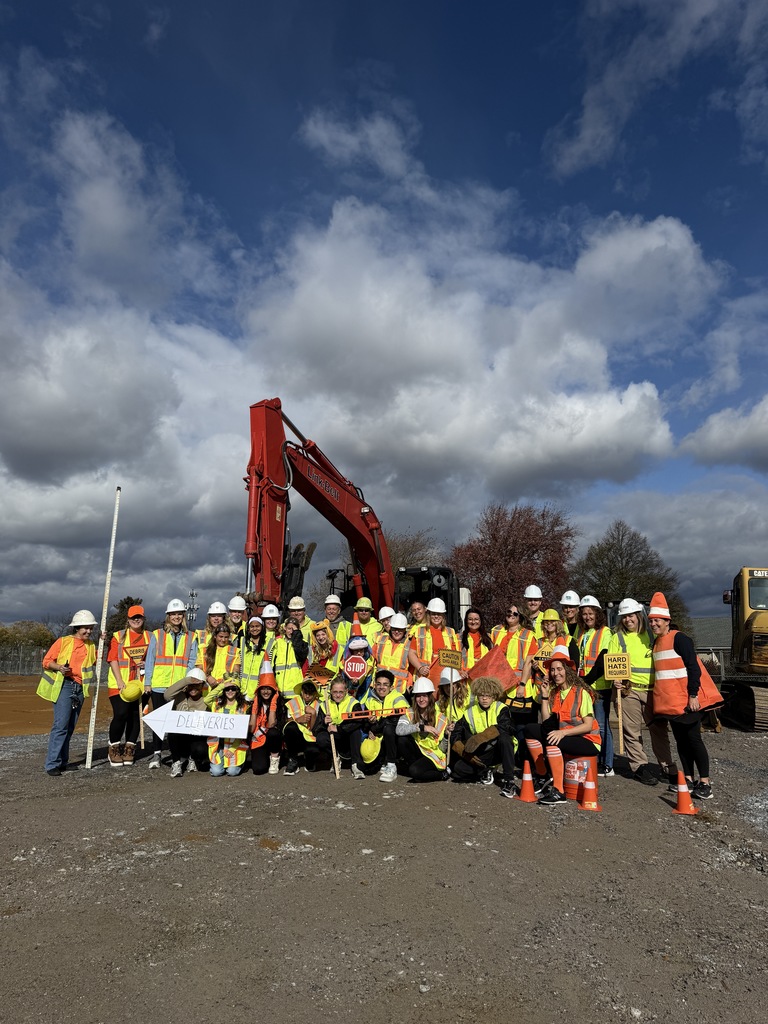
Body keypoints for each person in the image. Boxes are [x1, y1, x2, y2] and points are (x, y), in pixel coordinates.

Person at [647, 592, 721, 799]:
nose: (653, 624)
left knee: (694, 740)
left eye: (657, 621)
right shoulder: (656, 643)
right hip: (671, 704)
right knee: (681, 741)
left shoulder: (680, 639)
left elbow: (693, 668)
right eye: (651, 621)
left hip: (687, 702)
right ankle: (688, 778)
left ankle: (704, 782)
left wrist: (693, 695)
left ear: (667, 621)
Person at [607, 598, 677, 787]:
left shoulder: (652, 635)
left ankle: (667, 766)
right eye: (624, 617)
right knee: (632, 731)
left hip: (654, 691)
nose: (628, 620)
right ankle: (639, 767)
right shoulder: (617, 638)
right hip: (629, 691)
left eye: (631, 616)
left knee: (659, 730)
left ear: (638, 616)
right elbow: (613, 665)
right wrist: (616, 680)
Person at [524, 645, 601, 806]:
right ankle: (543, 775)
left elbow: (588, 726)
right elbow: (546, 723)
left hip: (588, 739)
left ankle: (559, 791)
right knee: (530, 729)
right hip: (566, 736)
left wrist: (562, 733)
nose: (555, 673)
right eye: (552, 670)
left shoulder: (581, 692)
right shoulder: (555, 692)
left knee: (553, 739)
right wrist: (544, 697)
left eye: (559, 669)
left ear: (568, 670)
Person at [38, 610, 98, 776]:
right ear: (77, 628)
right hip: (64, 686)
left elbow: (97, 662)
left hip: (79, 688)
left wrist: (103, 639)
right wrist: (59, 668)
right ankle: (52, 764)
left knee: (70, 726)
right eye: (85, 628)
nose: (88, 631)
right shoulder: (63, 642)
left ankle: (63, 761)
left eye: (91, 628)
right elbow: (46, 661)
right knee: (60, 725)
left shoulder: (91, 645)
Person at [144, 599, 197, 770]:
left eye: (179, 614)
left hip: (179, 688)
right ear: (168, 616)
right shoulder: (157, 634)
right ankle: (157, 753)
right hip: (159, 685)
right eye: (173, 614)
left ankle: (182, 755)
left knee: (179, 723)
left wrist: (186, 682)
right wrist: (148, 682)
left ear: (183, 616)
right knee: (159, 722)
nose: (176, 617)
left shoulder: (191, 636)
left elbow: (192, 661)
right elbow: (150, 660)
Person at [450, 676, 517, 795]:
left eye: (488, 695)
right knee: (458, 770)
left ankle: (509, 781)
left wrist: (483, 736)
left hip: (501, 750)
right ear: (477, 696)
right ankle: (485, 771)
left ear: (494, 696)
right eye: (481, 695)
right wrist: (461, 750)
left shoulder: (501, 708)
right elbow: (456, 732)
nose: (485, 698)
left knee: (504, 738)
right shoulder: (470, 712)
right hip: (484, 752)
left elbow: (508, 727)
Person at [106, 604, 150, 767]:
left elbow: (154, 658)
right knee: (121, 713)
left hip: (141, 684)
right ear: (128, 619)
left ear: (143, 618)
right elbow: (113, 659)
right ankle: (114, 747)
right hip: (120, 683)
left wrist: (146, 663)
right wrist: (119, 681)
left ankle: (130, 747)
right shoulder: (119, 636)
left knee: (135, 716)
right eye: (133, 617)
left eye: (139, 617)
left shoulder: (150, 637)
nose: (136, 620)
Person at [577, 596, 612, 776]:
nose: (587, 617)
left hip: (599, 685)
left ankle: (607, 763)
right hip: (586, 686)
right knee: (589, 724)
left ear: (597, 614)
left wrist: (586, 681)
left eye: (590, 613)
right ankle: (595, 758)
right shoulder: (583, 633)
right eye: (584, 614)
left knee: (602, 725)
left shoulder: (605, 632)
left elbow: (602, 660)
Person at [395, 678, 449, 782]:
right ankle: (415, 768)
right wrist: (421, 727)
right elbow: (399, 730)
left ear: (430, 697)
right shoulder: (409, 713)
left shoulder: (441, 718)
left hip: (433, 755)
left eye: (424, 696)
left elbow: (442, 749)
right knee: (402, 740)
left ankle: (441, 775)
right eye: (418, 696)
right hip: (418, 751)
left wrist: (446, 735)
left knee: (414, 771)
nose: (421, 699)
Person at [362, 669, 409, 781]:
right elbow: (364, 722)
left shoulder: (398, 698)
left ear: (391, 687)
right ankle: (383, 761)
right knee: (367, 769)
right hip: (379, 738)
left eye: (385, 684)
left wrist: (375, 727)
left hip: (395, 737)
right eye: (378, 684)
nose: (381, 687)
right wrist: (369, 725)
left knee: (389, 729)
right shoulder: (370, 700)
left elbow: (394, 721)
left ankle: (392, 765)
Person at [316, 678, 368, 779]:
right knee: (321, 738)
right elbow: (316, 729)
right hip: (334, 740)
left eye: (341, 692)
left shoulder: (353, 703)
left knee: (355, 732)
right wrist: (324, 722)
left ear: (346, 691)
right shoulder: (324, 704)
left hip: (348, 738)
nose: (338, 695)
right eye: (335, 692)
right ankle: (335, 758)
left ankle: (356, 764)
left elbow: (358, 722)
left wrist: (339, 728)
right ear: (330, 691)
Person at [165, 668, 210, 776]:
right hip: (181, 737)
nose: (193, 688)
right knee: (172, 733)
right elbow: (167, 695)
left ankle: (193, 759)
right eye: (191, 685)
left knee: (200, 749)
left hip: (197, 736)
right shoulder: (180, 697)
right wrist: (187, 680)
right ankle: (176, 763)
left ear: (202, 685)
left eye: (197, 685)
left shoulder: (206, 699)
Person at [204, 674, 250, 777]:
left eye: (233, 688)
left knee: (232, 772)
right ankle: (221, 763)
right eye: (227, 689)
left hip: (234, 744)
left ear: (237, 690)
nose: (230, 691)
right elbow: (206, 700)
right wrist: (222, 686)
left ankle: (242, 763)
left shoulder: (243, 707)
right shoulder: (216, 703)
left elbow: (242, 732)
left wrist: (232, 749)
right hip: (218, 743)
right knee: (216, 773)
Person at [411, 598, 460, 691]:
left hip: (445, 677)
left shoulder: (451, 632)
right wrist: (420, 667)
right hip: (425, 675)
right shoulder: (420, 631)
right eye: (433, 614)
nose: (436, 616)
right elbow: (411, 653)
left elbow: (456, 656)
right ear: (429, 614)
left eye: (439, 614)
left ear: (443, 615)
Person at [491, 604, 538, 688]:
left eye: (515, 614)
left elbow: (528, 664)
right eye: (509, 612)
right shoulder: (496, 631)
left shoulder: (528, 635)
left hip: (517, 685)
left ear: (521, 617)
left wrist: (522, 685)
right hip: (497, 682)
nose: (511, 614)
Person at [283, 679, 322, 774]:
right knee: (290, 727)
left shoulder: (320, 705)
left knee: (313, 752)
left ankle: (309, 761)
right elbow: (286, 722)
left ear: (315, 694)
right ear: (301, 691)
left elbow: (316, 729)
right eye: (305, 693)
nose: (307, 696)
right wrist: (298, 720)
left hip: (311, 737)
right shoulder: (293, 702)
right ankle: (293, 760)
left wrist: (313, 714)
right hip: (296, 736)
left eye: (311, 693)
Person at [249, 673, 283, 775]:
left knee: (273, 733)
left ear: (274, 690)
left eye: (269, 688)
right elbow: (251, 729)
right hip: (259, 740)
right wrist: (254, 710)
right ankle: (264, 757)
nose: (266, 692)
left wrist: (273, 704)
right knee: (258, 769)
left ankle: (274, 758)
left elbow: (271, 724)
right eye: (263, 689)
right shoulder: (255, 705)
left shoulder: (280, 704)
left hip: (273, 739)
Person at [372, 613, 414, 695]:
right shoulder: (380, 640)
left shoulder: (410, 643)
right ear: (390, 628)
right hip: (379, 688)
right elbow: (371, 660)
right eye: (394, 629)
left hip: (399, 689)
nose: (397, 632)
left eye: (400, 629)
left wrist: (409, 684)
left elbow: (412, 668)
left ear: (405, 629)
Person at [270, 616, 309, 698]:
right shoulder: (277, 642)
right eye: (289, 629)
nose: (291, 632)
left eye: (294, 630)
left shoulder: (303, 643)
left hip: (295, 692)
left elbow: (301, 655)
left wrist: (296, 636)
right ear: (285, 628)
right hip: (279, 691)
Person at [460, 607, 494, 675]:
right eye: (470, 619)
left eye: (476, 619)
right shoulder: (458, 638)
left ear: (480, 621)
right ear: (466, 621)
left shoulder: (489, 638)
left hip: (484, 677)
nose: (473, 622)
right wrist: (460, 671)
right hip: (466, 678)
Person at [241, 616, 268, 699]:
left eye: (257, 626)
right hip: (242, 689)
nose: (254, 629)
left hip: (258, 690)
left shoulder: (269, 643)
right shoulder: (243, 641)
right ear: (248, 628)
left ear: (262, 627)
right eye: (252, 626)